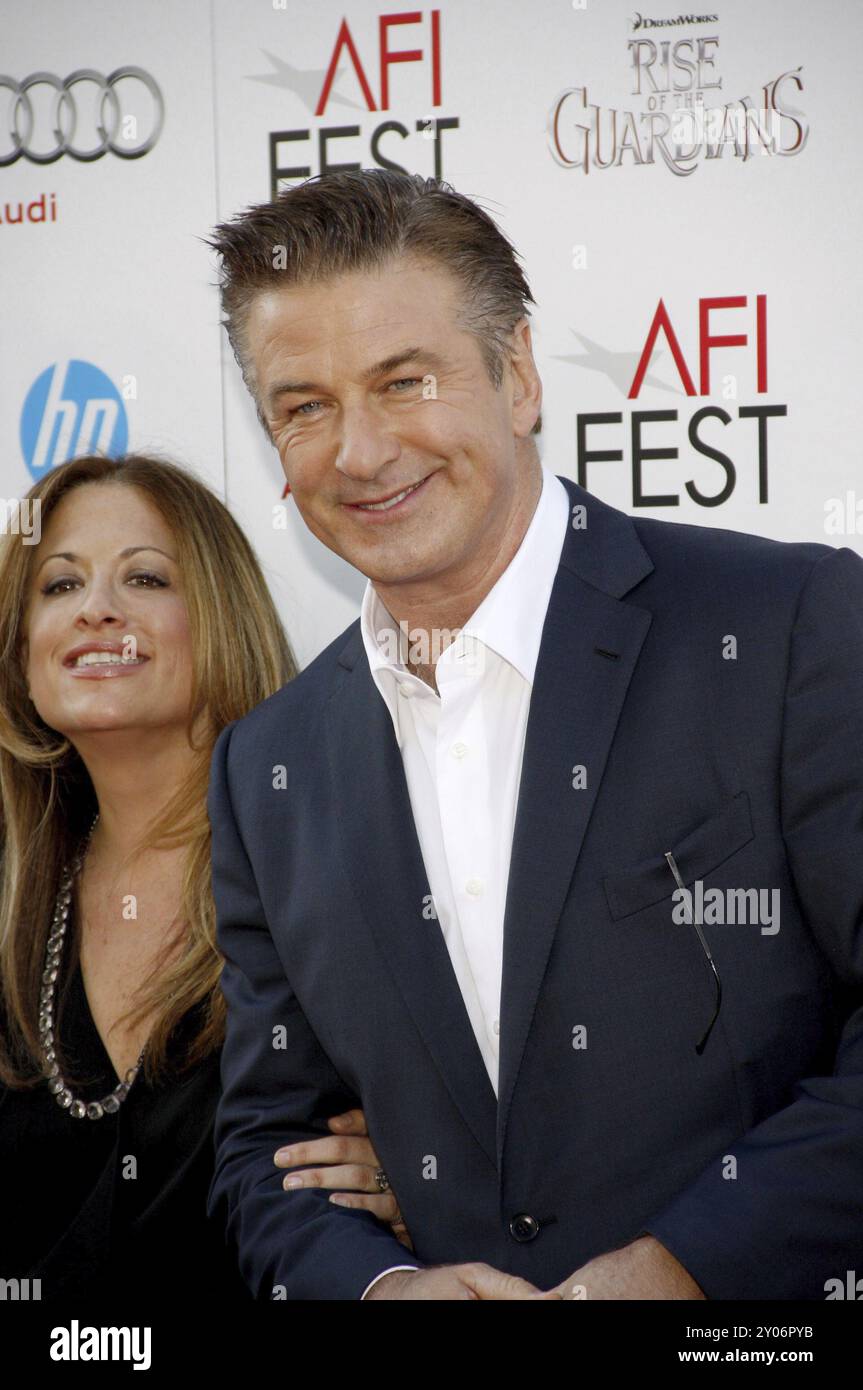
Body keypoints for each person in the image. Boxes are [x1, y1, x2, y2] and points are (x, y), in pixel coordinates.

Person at [204, 167, 863, 1301]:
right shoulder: (269, 765)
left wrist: (686, 1267)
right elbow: (268, 1144)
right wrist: (378, 1288)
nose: (357, 452)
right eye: (303, 406)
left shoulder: (784, 627)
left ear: (516, 376)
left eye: (402, 381)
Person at [0, 452, 411, 1303]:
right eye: (59, 586)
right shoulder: (13, 898)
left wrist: (429, 1182)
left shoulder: (342, 859)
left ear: (221, 615)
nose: (97, 611)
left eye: (145, 578)